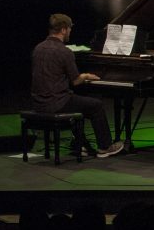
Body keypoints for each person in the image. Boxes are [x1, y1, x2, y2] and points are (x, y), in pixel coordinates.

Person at [30, 14, 124, 158]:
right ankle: (105, 147)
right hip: (57, 103)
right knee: (96, 106)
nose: (69, 32)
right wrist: (86, 76)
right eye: (69, 29)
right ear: (63, 30)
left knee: (79, 102)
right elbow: (75, 81)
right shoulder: (64, 51)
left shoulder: (38, 48)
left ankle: (82, 145)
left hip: (38, 103)